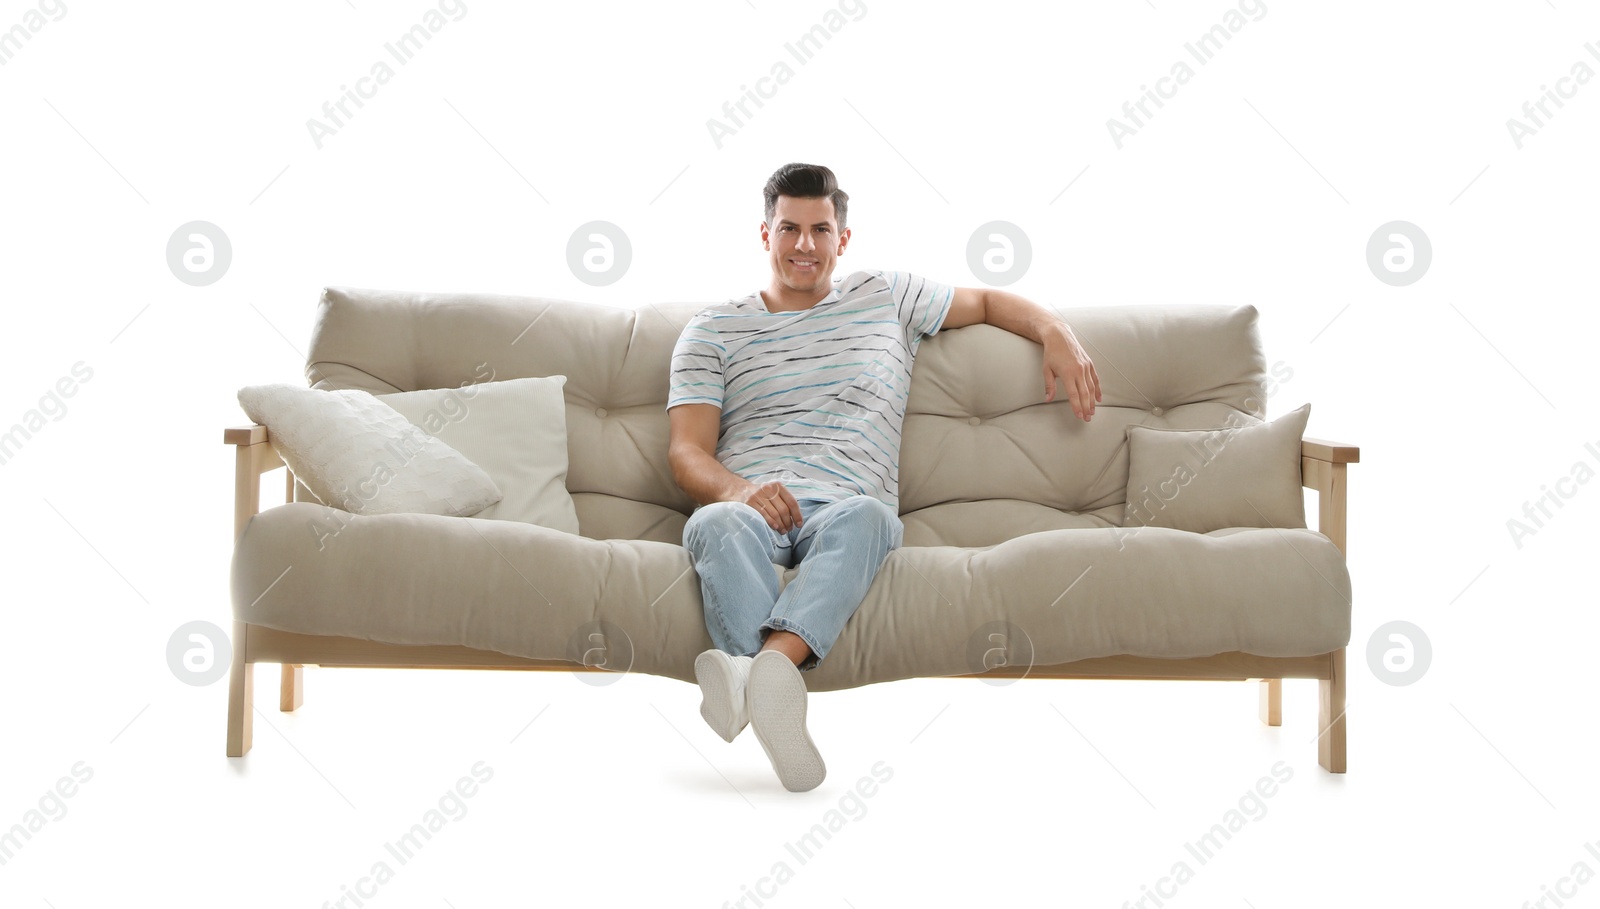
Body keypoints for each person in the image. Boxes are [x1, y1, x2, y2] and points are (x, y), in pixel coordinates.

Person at [665, 162, 1101, 791]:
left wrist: (1055, 330)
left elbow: (985, 300)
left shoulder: (888, 295)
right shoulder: (712, 331)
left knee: (872, 518)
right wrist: (739, 491)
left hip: (847, 509)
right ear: (765, 236)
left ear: (843, 238)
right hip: (750, 508)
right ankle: (770, 686)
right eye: (789, 229)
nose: (804, 246)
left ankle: (758, 673)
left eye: (820, 229)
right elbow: (686, 454)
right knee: (714, 523)